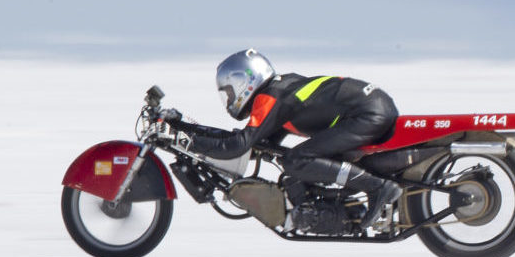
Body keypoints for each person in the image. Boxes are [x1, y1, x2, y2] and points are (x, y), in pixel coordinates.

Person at [168, 49, 404, 231]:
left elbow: (238, 145)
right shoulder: (281, 88)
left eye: (230, 91)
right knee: (295, 165)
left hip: (366, 113)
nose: (230, 98)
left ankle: (379, 188)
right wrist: (190, 130)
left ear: (245, 81)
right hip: (371, 107)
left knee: (297, 160)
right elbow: (254, 144)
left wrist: (188, 142)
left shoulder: (269, 97)